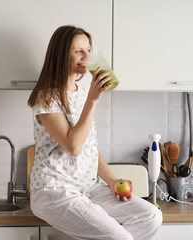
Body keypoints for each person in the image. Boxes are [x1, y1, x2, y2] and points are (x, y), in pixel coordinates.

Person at [28, 25, 162, 240]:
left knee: (151, 216)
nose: (86, 57)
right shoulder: (46, 98)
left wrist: (111, 180)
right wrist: (93, 99)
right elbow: (73, 146)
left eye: (88, 50)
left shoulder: (81, 93)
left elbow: (88, 147)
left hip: (88, 187)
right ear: (61, 55)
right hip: (54, 191)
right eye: (78, 51)